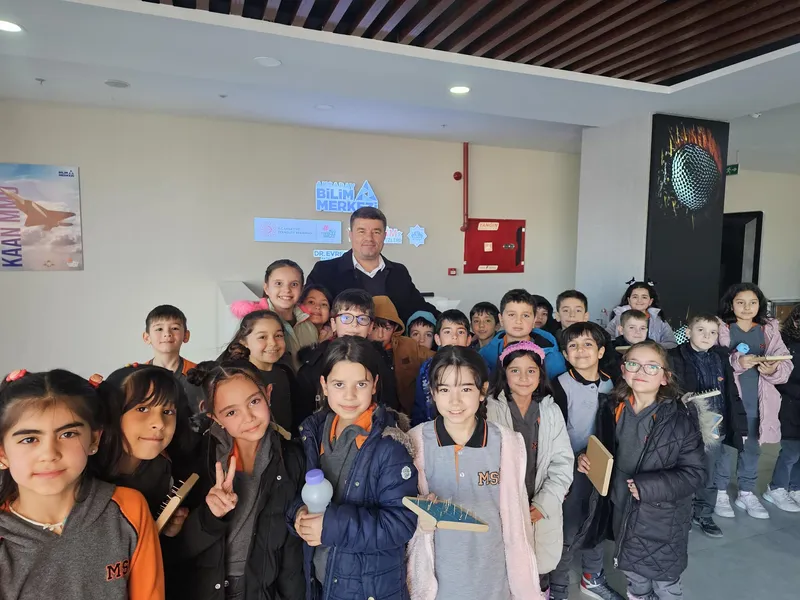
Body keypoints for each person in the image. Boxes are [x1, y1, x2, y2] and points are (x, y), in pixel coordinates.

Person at [0, 369, 164, 600]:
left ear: (94, 439)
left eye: (68, 434)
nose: (50, 454)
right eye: (29, 439)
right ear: (2, 453)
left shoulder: (129, 509)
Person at [406, 346, 541, 600]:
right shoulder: (416, 442)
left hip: (493, 579)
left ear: (482, 391)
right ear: (433, 393)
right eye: (444, 390)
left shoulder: (507, 442)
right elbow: (401, 513)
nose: (455, 401)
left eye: (466, 389)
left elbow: (517, 521)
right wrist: (420, 523)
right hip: (439, 583)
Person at [290, 336, 418, 600]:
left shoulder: (388, 445)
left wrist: (331, 526)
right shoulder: (312, 434)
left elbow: (401, 523)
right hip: (322, 583)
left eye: (361, 384)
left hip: (369, 589)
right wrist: (298, 514)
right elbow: (294, 494)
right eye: (339, 384)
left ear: (375, 385)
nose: (349, 395)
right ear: (324, 385)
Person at [578, 341, 708, 600]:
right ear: (623, 370)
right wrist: (586, 456)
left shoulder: (679, 419)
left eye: (652, 367)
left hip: (662, 520)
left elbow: (697, 473)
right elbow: (604, 446)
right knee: (633, 575)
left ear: (665, 377)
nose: (641, 371)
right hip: (621, 508)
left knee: (664, 582)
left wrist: (649, 487)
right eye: (633, 364)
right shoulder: (613, 408)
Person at [184, 359, 305, 600]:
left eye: (254, 401)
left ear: (268, 394)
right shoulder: (199, 460)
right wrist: (210, 515)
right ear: (215, 417)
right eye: (231, 412)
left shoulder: (291, 458)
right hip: (208, 589)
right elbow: (178, 549)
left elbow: (291, 551)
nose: (248, 417)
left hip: (260, 590)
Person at [485, 342, 574, 597]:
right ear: (504, 373)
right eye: (515, 370)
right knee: (504, 570)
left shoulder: (551, 410)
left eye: (531, 371)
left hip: (540, 509)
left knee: (538, 569)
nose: (524, 378)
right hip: (503, 507)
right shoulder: (489, 409)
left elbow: (562, 462)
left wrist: (544, 504)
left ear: (540, 374)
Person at [548, 322, 620, 600]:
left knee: (598, 521)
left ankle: (592, 577)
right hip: (573, 470)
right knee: (568, 528)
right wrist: (574, 457)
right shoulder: (558, 386)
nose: (581, 350)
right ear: (566, 354)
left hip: (605, 468)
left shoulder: (614, 383)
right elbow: (553, 433)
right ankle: (557, 587)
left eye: (588, 344)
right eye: (573, 346)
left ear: (600, 351)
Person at [717, 283, 793, 519]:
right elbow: (713, 361)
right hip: (729, 402)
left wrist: (772, 369)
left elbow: (786, 364)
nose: (747, 307)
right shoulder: (721, 328)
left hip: (758, 403)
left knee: (752, 449)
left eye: (753, 302)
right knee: (724, 449)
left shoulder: (768, 330)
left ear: (760, 305)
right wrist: (738, 362)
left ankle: (746, 493)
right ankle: (719, 492)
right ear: (731, 305)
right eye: (740, 302)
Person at [668, 314, 747, 536]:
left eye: (712, 332)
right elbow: (667, 387)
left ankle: (703, 513)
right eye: (700, 330)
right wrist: (680, 398)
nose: (707, 336)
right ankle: (681, 515)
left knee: (708, 472)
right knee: (682, 470)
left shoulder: (721, 357)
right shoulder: (673, 356)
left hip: (715, 425)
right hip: (685, 425)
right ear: (688, 332)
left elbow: (732, 392)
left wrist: (740, 426)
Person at [305, 206, 439, 324]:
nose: (369, 238)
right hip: (344, 344)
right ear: (350, 235)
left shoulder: (399, 272)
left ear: (384, 236)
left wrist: (448, 321)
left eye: (376, 232)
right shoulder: (325, 271)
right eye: (361, 231)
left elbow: (419, 308)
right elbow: (308, 310)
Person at [296, 289, 399, 418]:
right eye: (346, 317)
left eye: (362, 319)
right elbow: (302, 415)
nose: (354, 325)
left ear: (370, 327)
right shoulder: (315, 363)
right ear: (333, 323)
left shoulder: (380, 360)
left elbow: (390, 406)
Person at [219, 309, 296, 435]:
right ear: (244, 342)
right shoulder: (237, 379)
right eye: (262, 337)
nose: (273, 343)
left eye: (278, 336)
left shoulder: (285, 373)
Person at [232, 259, 318, 371]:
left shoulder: (309, 325)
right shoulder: (253, 321)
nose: (286, 290)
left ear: (301, 289)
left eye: (294, 284)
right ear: (266, 288)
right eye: (278, 283)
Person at [479, 289, 567, 379]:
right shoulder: (485, 354)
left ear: (534, 320)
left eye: (525, 315)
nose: (518, 321)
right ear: (501, 319)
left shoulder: (552, 359)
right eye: (511, 315)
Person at [370, 297, 435, 416]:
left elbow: (437, 358)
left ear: (395, 328)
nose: (380, 335)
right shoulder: (360, 349)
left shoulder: (407, 345)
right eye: (374, 328)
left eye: (387, 328)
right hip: (372, 415)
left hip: (406, 415)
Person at [764, 303, 800, 511]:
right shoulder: (784, 344)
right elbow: (780, 379)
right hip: (790, 406)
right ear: (795, 321)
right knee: (791, 452)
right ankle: (776, 488)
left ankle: (795, 487)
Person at [411, 309, 473, 427]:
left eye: (460, 332)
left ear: (469, 339)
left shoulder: (477, 366)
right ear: (437, 339)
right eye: (447, 332)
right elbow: (420, 405)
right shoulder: (427, 368)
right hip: (432, 428)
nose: (454, 337)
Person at [143, 304, 203, 416]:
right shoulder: (137, 376)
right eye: (159, 329)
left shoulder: (199, 374)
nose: (167, 334)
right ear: (147, 337)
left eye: (174, 328)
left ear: (186, 335)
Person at [556, 290, 619, 378]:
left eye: (578, 310)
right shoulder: (550, 341)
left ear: (586, 316)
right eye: (566, 310)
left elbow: (610, 366)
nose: (572, 315)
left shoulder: (601, 338)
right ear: (557, 316)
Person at [605, 281, 676, 349]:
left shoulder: (659, 321)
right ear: (629, 300)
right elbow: (606, 340)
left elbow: (671, 343)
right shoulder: (618, 318)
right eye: (635, 297)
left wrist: (651, 348)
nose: (639, 300)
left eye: (644, 297)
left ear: (650, 301)